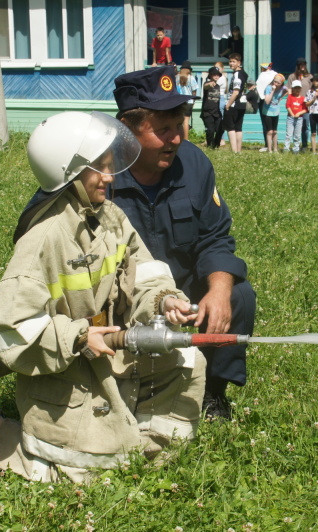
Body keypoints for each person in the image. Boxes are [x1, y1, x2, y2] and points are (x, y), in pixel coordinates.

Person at [0, 111, 204, 484]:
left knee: (188, 359)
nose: (110, 177)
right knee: (84, 475)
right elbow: (11, 325)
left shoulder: (109, 217)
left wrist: (163, 300)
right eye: (101, 169)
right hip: (67, 371)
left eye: (110, 166)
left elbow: (142, 271)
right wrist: (77, 336)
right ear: (69, 172)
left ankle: (135, 445)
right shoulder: (43, 239)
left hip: (111, 354)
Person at [109, 66, 256, 420]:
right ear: (127, 130)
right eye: (162, 130)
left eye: (180, 125)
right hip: (118, 298)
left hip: (185, 293)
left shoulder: (193, 163)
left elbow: (216, 238)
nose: (176, 139)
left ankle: (211, 393)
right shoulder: (99, 171)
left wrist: (218, 292)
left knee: (238, 294)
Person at [223, 53, 248, 153]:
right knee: (238, 128)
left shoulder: (237, 74)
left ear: (239, 63)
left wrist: (228, 104)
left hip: (234, 103)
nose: (231, 64)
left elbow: (236, 91)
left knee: (231, 127)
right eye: (230, 61)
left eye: (233, 62)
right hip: (242, 103)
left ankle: (234, 150)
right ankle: (239, 150)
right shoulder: (244, 73)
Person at [287, 58, 313, 149]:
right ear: (297, 66)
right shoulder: (292, 76)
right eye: (300, 64)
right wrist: (291, 101)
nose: (302, 66)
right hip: (294, 105)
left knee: (305, 126)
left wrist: (310, 102)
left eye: (304, 64)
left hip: (305, 105)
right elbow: (289, 90)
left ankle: (304, 145)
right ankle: (293, 146)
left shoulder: (309, 77)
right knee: (292, 127)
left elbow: (311, 91)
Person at [260, 73, 287, 153]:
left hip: (276, 111)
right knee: (270, 131)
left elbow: (289, 90)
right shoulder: (268, 88)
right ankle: (270, 149)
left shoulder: (282, 88)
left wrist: (281, 97)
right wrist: (273, 90)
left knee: (275, 131)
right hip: (267, 111)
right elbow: (267, 101)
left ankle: (275, 148)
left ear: (281, 83)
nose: (276, 84)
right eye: (275, 82)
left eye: (278, 83)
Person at [201, 67, 224, 149]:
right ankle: (210, 146)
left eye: (218, 74)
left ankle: (216, 145)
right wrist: (209, 84)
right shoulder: (206, 83)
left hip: (217, 112)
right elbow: (205, 87)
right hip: (207, 112)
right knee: (210, 130)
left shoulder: (218, 86)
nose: (216, 76)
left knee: (220, 129)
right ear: (210, 75)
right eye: (214, 74)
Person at [176, 61, 199, 141]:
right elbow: (194, 90)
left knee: (179, 120)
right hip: (189, 101)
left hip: (179, 101)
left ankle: (179, 137)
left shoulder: (177, 77)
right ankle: (186, 139)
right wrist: (193, 101)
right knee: (186, 120)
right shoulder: (191, 78)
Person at [283, 80, 306, 153]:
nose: (297, 90)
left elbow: (305, 109)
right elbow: (288, 106)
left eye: (298, 88)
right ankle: (286, 148)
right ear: (292, 89)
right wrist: (292, 114)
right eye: (295, 88)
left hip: (299, 118)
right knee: (288, 134)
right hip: (290, 118)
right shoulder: (290, 97)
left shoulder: (302, 98)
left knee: (297, 135)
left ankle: (296, 149)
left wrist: (299, 113)